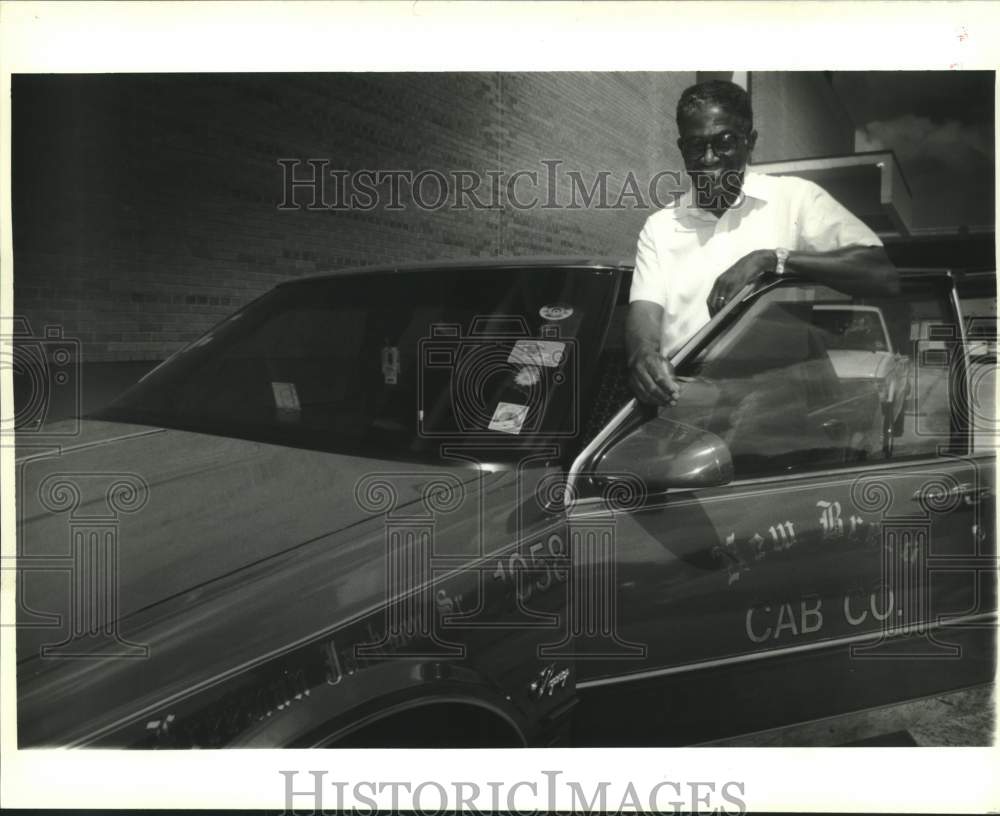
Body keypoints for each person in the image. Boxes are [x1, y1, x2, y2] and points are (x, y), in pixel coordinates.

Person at [627, 79, 899, 406]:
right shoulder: (660, 227)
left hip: (774, 403)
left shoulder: (794, 198)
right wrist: (642, 356)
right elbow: (644, 312)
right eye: (696, 146)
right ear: (682, 148)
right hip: (686, 400)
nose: (709, 159)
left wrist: (771, 260)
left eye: (724, 142)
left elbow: (881, 273)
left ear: (750, 141)